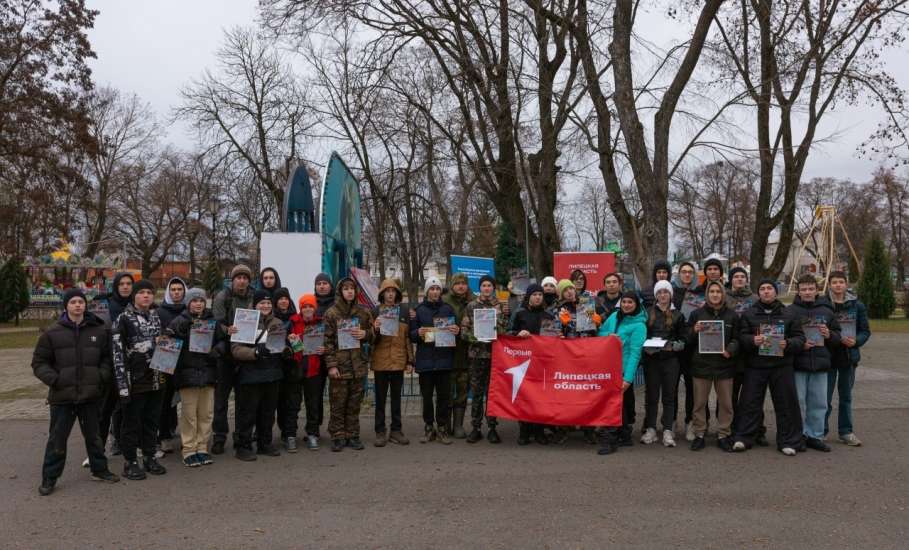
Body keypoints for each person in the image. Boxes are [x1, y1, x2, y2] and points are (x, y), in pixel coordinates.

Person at [33, 289, 120, 495]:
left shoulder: (98, 330)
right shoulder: (52, 333)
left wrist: (100, 376)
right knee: (57, 439)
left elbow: (107, 358)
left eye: (81, 301)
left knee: (94, 437)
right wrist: (55, 380)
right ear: (66, 306)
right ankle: (50, 478)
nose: (78, 305)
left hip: (90, 395)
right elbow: (39, 363)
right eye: (73, 302)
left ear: (85, 305)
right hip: (62, 397)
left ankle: (100, 470)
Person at [734, 279, 805, 456]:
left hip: (781, 366)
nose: (766, 291)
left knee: (786, 404)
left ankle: (788, 441)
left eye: (769, 288)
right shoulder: (749, 314)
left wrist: (788, 343)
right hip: (756, 365)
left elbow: (800, 338)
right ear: (758, 293)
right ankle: (744, 437)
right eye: (762, 289)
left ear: (775, 292)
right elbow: (741, 336)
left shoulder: (789, 313)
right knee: (749, 402)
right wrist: (752, 340)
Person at [112, 279, 166, 479]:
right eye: (142, 292)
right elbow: (117, 354)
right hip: (134, 380)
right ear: (134, 296)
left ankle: (149, 457)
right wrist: (122, 385)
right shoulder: (123, 319)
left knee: (151, 421)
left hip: (157, 377)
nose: (146, 296)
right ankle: (130, 461)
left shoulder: (156, 316)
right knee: (131, 423)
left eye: (149, 292)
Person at [164, 288, 219, 467]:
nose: (198, 304)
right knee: (189, 415)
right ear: (188, 303)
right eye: (194, 300)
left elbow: (222, 341)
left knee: (206, 414)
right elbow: (169, 347)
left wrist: (216, 351)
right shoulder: (178, 322)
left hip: (208, 374)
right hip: (187, 376)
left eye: (201, 300)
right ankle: (188, 449)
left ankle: (202, 448)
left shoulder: (212, 321)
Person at [787, 274, 842, 452]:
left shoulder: (827, 311)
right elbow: (784, 338)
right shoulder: (790, 311)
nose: (807, 292)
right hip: (798, 364)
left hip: (820, 364)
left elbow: (838, 337)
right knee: (799, 402)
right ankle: (799, 434)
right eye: (804, 289)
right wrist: (799, 344)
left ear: (817, 291)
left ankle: (815, 436)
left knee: (819, 403)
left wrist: (829, 335)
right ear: (798, 291)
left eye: (811, 289)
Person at [230, 290, 286, 460]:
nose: (266, 306)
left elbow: (280, 345)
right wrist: (254, 353)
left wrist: (287, 350)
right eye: (262, 303)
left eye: (268, 303)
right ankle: (243, 446)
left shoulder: (277, 322)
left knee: (268, 412)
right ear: (254, 305)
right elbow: (236, 349)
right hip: (251, 374)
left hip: (272, 373)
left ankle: (265, 443)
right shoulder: (245, 321)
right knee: (248, 413)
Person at [323, 277, 374, 452]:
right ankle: (337, 436)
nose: (349, 291)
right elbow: (327, 341)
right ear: (340, 292)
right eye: (345, 288)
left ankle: (353, 435)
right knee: (338, 403)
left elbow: (374, 334)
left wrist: (365, 334)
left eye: (352, 288)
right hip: (340, 366)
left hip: (358, 365)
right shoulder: (331, 313)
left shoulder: (364, 312)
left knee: (354, 404)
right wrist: (331, 365)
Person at [687, 281, 739, 452]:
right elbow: (687, 339)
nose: (715, 294)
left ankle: (723, 434)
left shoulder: (732, 315)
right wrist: (694, 330)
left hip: (724, 365)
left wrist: (730, 350)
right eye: (712, 291)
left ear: (723, 294)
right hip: (702, 365)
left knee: (726, 404)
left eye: (718, 291)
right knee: (699, 403)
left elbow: (737, 339)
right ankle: (699, 434)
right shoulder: (696, 314)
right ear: (707, 294)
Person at [552, 278, 603, 444]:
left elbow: (594, 331)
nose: (569, 292)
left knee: (587, 392)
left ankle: (589, 429)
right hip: (567, 358)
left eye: (571, 289)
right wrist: (561, 327)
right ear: (561, 294)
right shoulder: (558, 309)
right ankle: (564, 428)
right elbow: (553, 333)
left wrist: (597, 323)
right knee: (567, 393)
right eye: (565, 290)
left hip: (586, 356)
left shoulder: (585, 304)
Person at [596, 292, 647, 455]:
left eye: (630, 302)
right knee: (620, 404)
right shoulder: (614, 316)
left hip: (622, 370)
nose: (626, 305)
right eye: (624, 301)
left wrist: (628, 379)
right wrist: (608, 336)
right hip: (608, 367)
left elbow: (635, 354)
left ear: (636, 304)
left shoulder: (639, 326)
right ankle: (624, 435)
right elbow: (600, 333)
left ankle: (610, 439)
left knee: (613, 405)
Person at [211, 264, 254, 455]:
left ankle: (240, 436)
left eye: (245, 278)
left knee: (243, 401)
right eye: (239, 277)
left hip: (245, 354)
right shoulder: (223, 297)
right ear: (233, 279)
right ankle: (219, 437)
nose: (242, 281)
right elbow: (215, 322)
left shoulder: (253, 296)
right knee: (221, 400)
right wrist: (226, 329)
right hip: (226, 356)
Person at [825, 271, 871, 446]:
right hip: (828, 356)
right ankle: (821, 431)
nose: (838, 285)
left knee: (845, 397)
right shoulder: (823, 304)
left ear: (846, 284)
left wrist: (856, 341)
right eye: (834, 282)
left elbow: (865, 331)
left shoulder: (857, 306)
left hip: (848, 356)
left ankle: (846, 432)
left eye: (841, 282)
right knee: (824, 398)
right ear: (829, 285)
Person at [411, 277, 459, 444]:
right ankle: (428, 427)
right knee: (426, 397)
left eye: (437, 288)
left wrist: (456, 330)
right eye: (432, 289)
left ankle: (442, 428)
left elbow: (456, 331)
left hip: (444, 361)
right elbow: (411, 335)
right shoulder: (418, 310)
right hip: (425, 361)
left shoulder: (448, 309)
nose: (435, 292)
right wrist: (418, 333)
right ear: (426, 292)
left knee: (443, 398)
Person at [461, 275, 508, 444]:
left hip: (494, 356)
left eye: (489, 285)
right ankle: (476, 428)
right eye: (484, 285)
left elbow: (504, 330)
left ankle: (492, 428)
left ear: (493, 288)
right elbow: (463, 331)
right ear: (480, 288)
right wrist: (476, 337)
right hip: (476, 356)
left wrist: (498, 321)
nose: (486, 288)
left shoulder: (499, 306)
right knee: (477, 393)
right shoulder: (471, 306)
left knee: (492, 394)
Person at [641, 280, 687, 447]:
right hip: (652, 360)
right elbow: (642, 335)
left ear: (670, 295)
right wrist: (645, 346)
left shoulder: (678, 315)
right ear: (656, 295)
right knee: (651, 396)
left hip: (670, 361)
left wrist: (675, 345)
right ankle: (651, 429)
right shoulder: (647, 313)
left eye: (665, 292)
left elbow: (683, 338)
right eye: (659, 292)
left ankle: (668, 430)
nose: (662, 295)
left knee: (669, 396)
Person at [725, 267, 766, 445]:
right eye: (736, 276)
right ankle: (731, 429)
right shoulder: (724, 298)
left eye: (743, 276)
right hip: (731, 353)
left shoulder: (755, 299)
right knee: (730, 396)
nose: (740, 279)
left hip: (752, 353)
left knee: (753, 396)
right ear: (731, 279)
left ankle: (758, 430)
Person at [510, 283, 554, 445]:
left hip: (542, 362)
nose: (538, 297)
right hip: (523, 361)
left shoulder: (548, 315)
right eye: (534, 294)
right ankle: (524, 431)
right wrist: (517, 333)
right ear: (529, 296)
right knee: (524, 397)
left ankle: (539, 431)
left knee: (541, 397)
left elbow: (553, 337)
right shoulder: (519, 313)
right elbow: (507, 332)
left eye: (540, 295)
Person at [372, 278, 414, 447]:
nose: (390, 294)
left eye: (393, 291)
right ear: (382, 294)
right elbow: (371, 340)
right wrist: (375, 329)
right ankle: (380, 431)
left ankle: (396, 430)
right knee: (380, 399)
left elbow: (407, 338)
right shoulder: (375, 311)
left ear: (397, 294)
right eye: (387, 291)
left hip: (398, 361)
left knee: (396, 399)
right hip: (380, 361)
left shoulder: (403, 311)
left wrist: (410, 360)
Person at [99, 271, 134, 457]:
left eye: (129, 284)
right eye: (122, 284)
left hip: (132, 361)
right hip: (110, 361)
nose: (125, 287)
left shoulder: (136, 304)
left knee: (126, 404)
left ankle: (123, 440)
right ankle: (100, 446)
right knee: (108, 405)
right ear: (116, 286)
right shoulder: (105, 305)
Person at [289, 294, 326, 451]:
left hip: (313, 369)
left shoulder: (320, 323)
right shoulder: (292, 322)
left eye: (311, 306)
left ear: (315, 308)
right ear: (300, 308)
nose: (308, 309)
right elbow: (283, 343)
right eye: (304, 306)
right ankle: (290, 435)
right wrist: (290, 340)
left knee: (313, 404)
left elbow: (329, 342)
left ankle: (312, 434)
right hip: (295, 368)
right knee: (293, 405)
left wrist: (325, 348)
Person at [155, 276, 187, 456]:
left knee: (184, 398)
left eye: (179, 289)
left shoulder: (189, 308)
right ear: (168, 292)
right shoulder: (160, 312)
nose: (176, 292)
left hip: (186, 360)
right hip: (166, 358)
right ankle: (164, 435)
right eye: (173, 289)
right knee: (165, 399)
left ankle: (182, 433)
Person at [442, 272, 474, 438]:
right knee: (447, 391)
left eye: (464, 283)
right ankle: (446, 424)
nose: (461, 286)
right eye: (457, 283)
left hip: (466, 354)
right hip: (448, 354)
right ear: (452, 285)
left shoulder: (473, 301)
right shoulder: (444, 301)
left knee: (462, 391)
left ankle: (458, 425)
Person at [273, 287, 302, 452]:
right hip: (275, 366)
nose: (283, 301)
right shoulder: (271, 319)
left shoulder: (295, 319)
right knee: (276, 403)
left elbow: (301, 347)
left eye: (286, 298)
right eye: (280, 298)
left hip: (292, 366)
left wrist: (294, 343)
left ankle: (289, 434)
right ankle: (276, 432)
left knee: (292, 403)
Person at [673, 261, 700, 441]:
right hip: (675, 348)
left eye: (690, 272)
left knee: (692, 389)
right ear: (679, 274)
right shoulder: (672, 293)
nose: (687, 275)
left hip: (693, 348)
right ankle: (671, 422)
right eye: (684, 272)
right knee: (672, 388)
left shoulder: (700, 294)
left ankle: (691, 423)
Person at [309, 272, 336, 446]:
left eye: (325, 283)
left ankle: (336, 429)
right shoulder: (311, 303)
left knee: (336, 395)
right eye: (319, 283)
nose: (322, 286)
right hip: (316, 355)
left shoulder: (337, 303)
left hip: (333, 355)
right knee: (315, 395)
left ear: (330, 286)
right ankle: (315, 429)